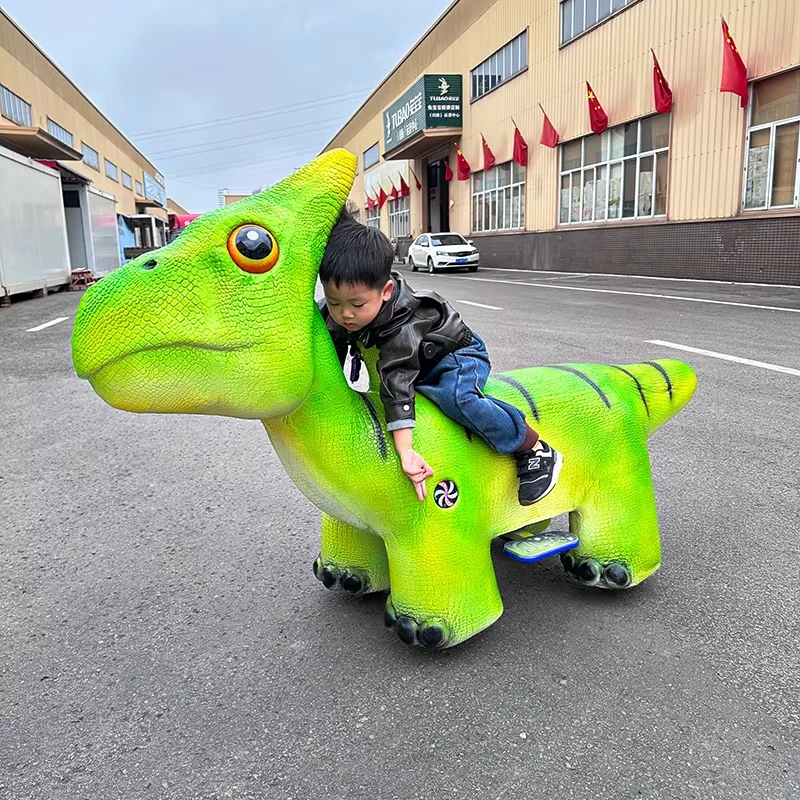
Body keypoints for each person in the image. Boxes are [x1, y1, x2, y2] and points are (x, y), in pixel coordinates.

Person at [318, 209, 562, 504]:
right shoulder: (343, 312)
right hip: (421, 366)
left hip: (457, 355)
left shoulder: (401, 324)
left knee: (459, 398)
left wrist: (406, 451)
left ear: (386, 291)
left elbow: (397, 382)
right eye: (334, 302)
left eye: (356, 304)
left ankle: (531, 447)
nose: (345, 314)